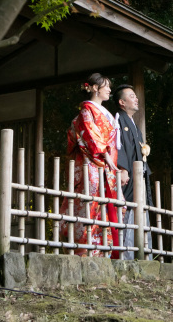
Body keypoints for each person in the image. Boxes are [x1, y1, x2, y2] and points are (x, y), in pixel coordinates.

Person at [61, 73, 121, 257]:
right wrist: (105, 154)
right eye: (106, 86)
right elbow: (89, 133)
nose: (109, 89)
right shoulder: (86, 109)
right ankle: (85, 249)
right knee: (90, 200)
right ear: (95, 88)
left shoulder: (105, 112)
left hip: (107, 164)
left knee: (105, 204)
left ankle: (102, 249)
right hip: (93, 162)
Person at [113, 84, 153, 260]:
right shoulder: (118, 119)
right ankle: (128, 256)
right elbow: (117, 145)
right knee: (128, 210)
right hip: (128, 177)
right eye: (131, 96)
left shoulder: (134, 126)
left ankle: (142, 254)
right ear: (122, 102)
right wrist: (122, 168)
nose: (136, 99)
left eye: (136, 96)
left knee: (140, 210)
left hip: (138, 177)